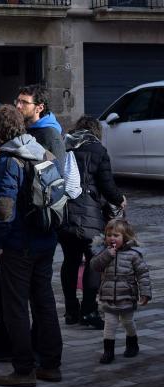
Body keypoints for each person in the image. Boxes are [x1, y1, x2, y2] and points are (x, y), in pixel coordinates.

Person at [0, 105, 63, 387]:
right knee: (44, 301)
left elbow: (4, 208)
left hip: (19, 243)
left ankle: (23, 369)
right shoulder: (41, 151)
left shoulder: (9, 160)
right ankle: (51, 364)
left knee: (15, 306)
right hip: (46, 237)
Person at [59, 116, 126, 329]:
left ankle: (71, 311)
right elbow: (108, 185)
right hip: (90, 218)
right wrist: (120, 199)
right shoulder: (98, 151)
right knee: (94, 261)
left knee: (70, 261)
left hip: (65, 215)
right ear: (96, 132)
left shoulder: (65, 146)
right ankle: (89, 311)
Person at [91, 219, 151, 364]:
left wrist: (145, 293)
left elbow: (143, 274)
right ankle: (108, 351)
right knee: (109, 324)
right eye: (109, 235)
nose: (112, 238)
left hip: (127, 296)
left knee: (127, 322)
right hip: (108, 295)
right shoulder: (103, 252)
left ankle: (132, 343)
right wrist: (107, 255)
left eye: (116, 235)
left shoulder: (133, 255)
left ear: (125, 237)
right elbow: (95, 266)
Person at [15, 84, 66, 170]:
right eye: (18, 101)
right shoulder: (22, 128)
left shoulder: (51, 134)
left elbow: (58, 171)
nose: (18, 106)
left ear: (39, 108)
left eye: (24, 102)